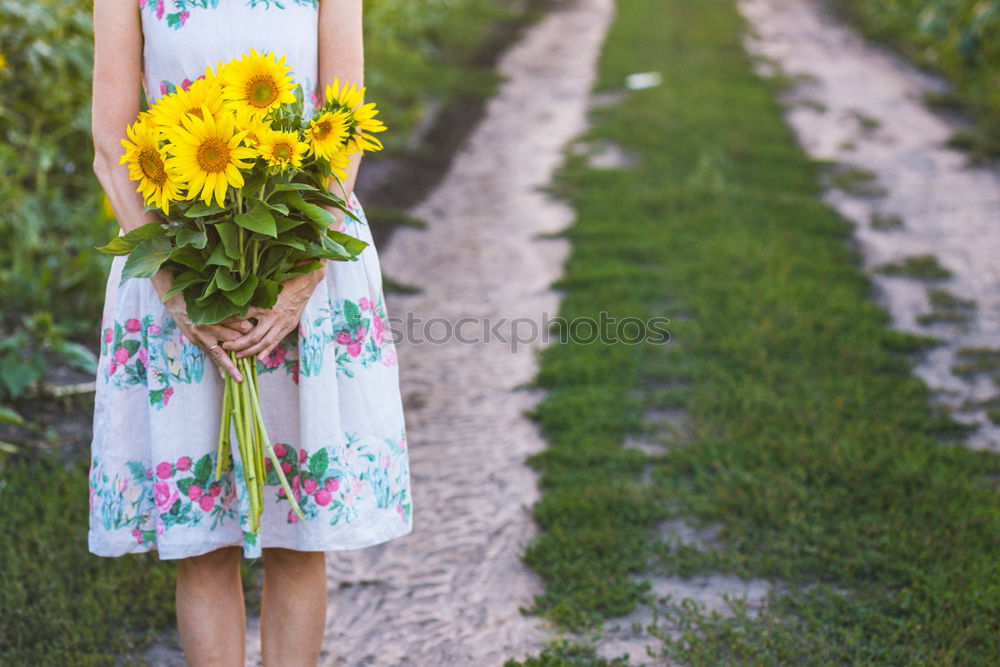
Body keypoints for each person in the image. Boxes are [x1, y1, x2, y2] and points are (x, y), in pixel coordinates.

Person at [89, 1, 413, 663]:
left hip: (304, 251)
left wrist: (302, 275)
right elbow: (110, 140)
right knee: (204, 542)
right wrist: (175, 288)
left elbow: (342, 121)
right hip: (176, 256)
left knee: (300, 534)